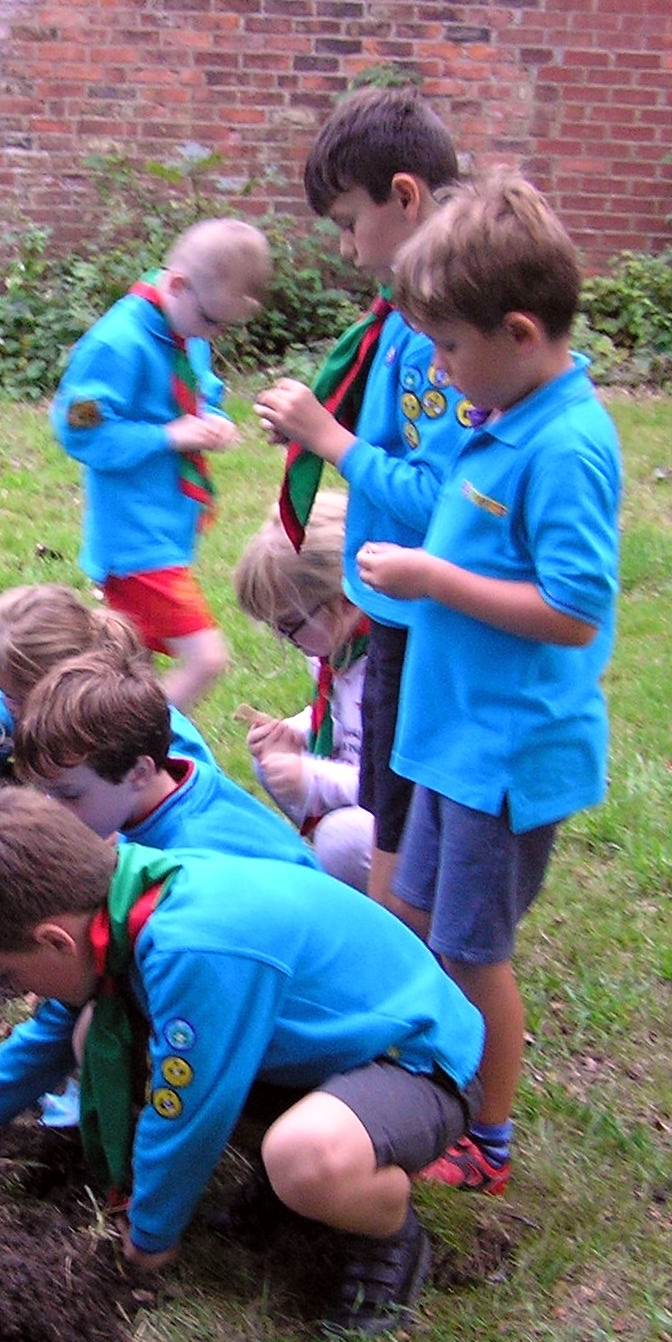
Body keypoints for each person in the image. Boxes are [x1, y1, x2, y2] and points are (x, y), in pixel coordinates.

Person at [0, 787, 484, 1336]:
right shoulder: (123, 898)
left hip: (416, 1061)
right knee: (92, 1032)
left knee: (304, 1160)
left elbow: (186, 1110)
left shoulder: (192, 948)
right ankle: (291, 1172)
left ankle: (389, 1230)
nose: (16, 989)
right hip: (323, 1055)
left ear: (55, 939)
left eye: (9, 973)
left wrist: (150, 1240)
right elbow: (36, 1048)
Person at [354, 170, 621, 1195]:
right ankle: (427, 1074)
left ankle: (487, 1138)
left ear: (518, 333)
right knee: (422, 918)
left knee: (474, 951)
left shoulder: (565, 446)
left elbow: (573, 610)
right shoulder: (497, 407)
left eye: (448, 345)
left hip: (504, 755)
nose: (434, 364)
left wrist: (432, 579)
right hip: (451, 739)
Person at [254, 87, 467, 910]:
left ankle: (400, 957)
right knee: (389, 818)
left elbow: (440, 497)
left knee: (394, 826)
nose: (345, 249)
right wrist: (319, 426)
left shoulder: (439, 340)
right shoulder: (406, 320)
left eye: (348, 223)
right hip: (392, 603)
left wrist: (330, 441)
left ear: (404, 196)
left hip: (414, 614)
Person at [51, 217, 272, 712]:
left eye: (225, 326)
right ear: (177, 285)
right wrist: (169, 435)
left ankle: (104, 737)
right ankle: (136, 737)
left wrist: (212, 419)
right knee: (206, 659)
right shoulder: (116, 344)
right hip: (133, 544)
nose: (214, 335)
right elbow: (78, 428)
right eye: (212, 321)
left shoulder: (185, 328)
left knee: (130, 668)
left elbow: (203, 389)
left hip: (166, 529)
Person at [0, 582, 216, 829]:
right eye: (3, 693)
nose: (10, 707)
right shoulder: (2, 716)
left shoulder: (149, 727)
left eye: (21, 700)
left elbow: (196, 803)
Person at [15, 643, 318, 868]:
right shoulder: (172, 774)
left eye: (69, 795)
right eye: (44, 793)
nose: (51, 810)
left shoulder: (187, 864)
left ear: (139, 773)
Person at [232, 491, 374, 890]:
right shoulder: (337, 647)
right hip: (360, 783)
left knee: (343, 839)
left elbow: (396, 790)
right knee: (271, 759)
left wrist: (310, 777)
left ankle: (388, 911)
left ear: (344, 602)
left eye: (289, 626)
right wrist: (295, 731)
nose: (284, 639)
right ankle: (339, 875)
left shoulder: (389, 670)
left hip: (410, 825)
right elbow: (342, 716)